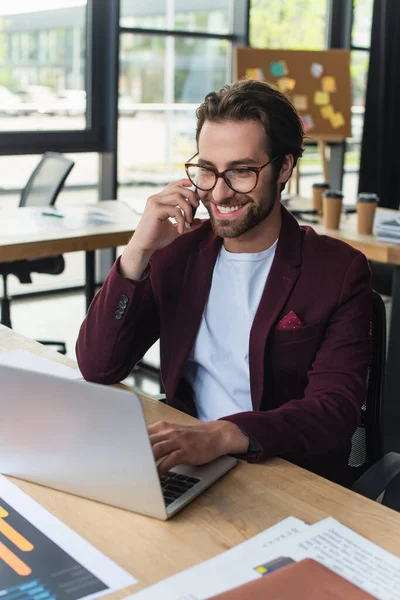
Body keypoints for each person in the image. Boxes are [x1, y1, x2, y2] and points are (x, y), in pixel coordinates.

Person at [76, 79, 372, 487]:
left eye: (242, 171)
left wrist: (222, 434)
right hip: (191, 464)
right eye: (207, 171)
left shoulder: (338, 271)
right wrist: (137, 250)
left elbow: (335, 411)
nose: (219, 192)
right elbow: (98, 366)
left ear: (284, 167)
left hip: (283, 473)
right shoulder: (177, 253)